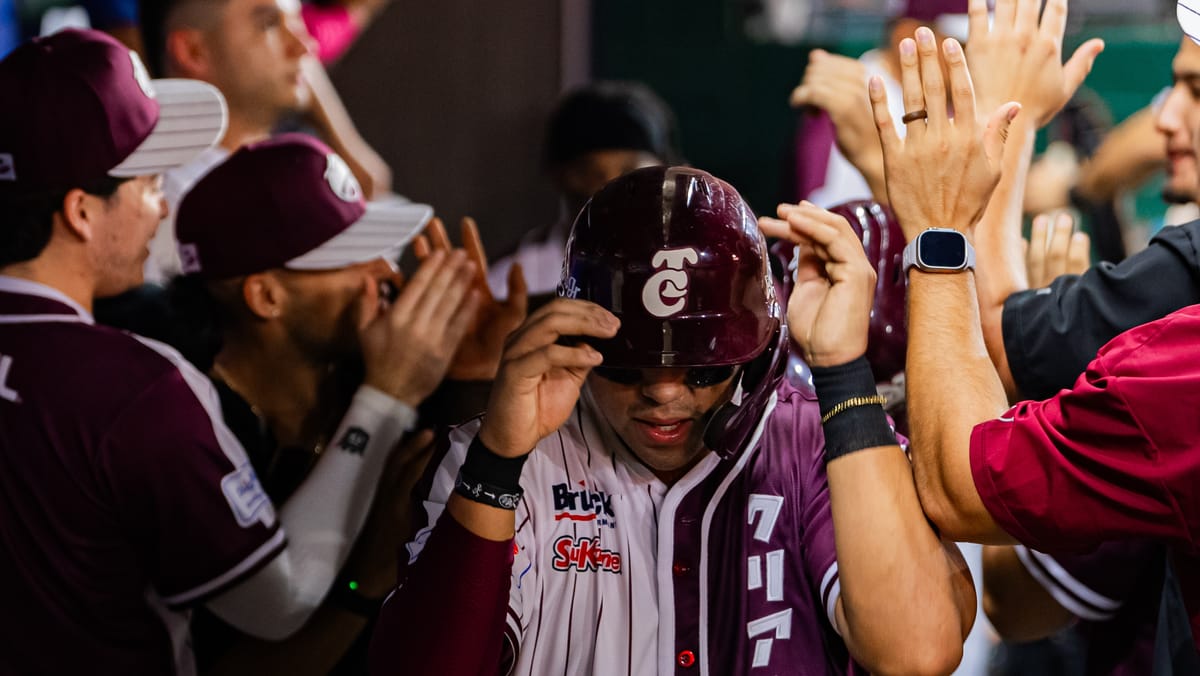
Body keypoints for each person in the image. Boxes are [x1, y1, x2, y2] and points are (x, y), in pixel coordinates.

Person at [369, 165, 974, 675]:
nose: (663, 394)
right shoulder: (499, 455)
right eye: (628, 368)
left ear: (756, 349)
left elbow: (918, 654)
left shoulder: (819, 441)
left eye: (702, 370)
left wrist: (842, 369)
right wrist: (498, 460)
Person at [0, 28, 386, 674]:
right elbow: (278, 602)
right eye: (150, 181)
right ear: (81, 213)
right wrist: (388, 400)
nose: (160, 208)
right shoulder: (138, 388)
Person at [849, 1, 1200, 661]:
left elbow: (971, 493)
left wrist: (938, 228)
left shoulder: (1182, 360)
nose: (1163, 119)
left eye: (1195, 91)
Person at [168, 132, 523, 673]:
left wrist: (473, 378)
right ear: (266, 296)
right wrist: (367, 575)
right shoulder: (188, 427)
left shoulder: (376, 371)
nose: (385, 272)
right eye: (352, 257)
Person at [138, 0, 393, 283]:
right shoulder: (168, 212)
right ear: (194, 52)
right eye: (269, 24)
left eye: (297, 23)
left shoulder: (287, 176)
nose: (305, 47)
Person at [486, 81, 680, 304]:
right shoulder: (511, 278)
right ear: (558, 176)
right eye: (590, 172)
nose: (610, 185)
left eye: (630, 171)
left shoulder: (701, 265)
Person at [790, 0, 971, 208]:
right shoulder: (850, 97)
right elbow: (818, 209)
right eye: (960, 45)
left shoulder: (955, 102)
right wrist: (873, 158)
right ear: (908, 36)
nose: (974, 57)